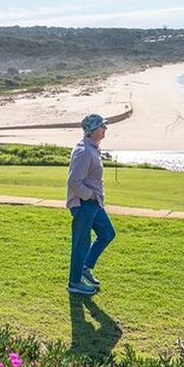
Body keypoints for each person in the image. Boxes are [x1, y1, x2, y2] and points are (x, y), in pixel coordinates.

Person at [65, 113, 116, 295]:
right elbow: (74, 182)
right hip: (83, 204)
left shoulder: (93, 147)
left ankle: (85, 267)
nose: (105, 129)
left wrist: (95, 198)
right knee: (81, 243)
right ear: (93, 130)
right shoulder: (84, 151)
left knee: (107, 233)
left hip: (94, 203)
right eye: (102, 126)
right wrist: (90, 196)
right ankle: (74, 283)